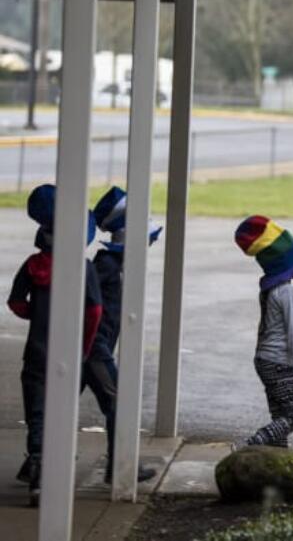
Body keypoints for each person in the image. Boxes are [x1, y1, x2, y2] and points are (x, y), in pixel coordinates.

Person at [7, 184, 102, 503]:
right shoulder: (84, 267)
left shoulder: (32, 266)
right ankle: (56, 465)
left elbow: (15, 302)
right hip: (68, 350)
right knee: (61, 410)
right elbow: (94, 311)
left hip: (36, 350)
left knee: (36, 413)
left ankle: (37, 473)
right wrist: (84, 348)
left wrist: (37, 313)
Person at [89, 186, 160, 484]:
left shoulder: (117, 264)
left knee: (57, 404)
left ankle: (39, 460)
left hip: (93, 345)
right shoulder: (106, 264)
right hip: (94, 348)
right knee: (120, 402)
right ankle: (119, 467)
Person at [233, 216, 293, 448]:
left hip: (264, 360)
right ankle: (249, 445)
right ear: (286, 266)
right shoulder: (287, 293)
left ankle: (277, 462)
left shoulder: (270, 290)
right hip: (279, 362)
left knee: (279, 418)